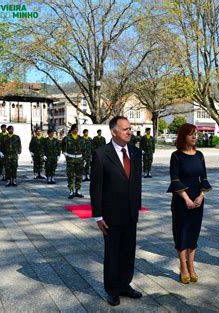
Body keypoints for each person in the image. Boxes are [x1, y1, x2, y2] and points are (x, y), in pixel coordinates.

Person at [90, 116, 143, 306]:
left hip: (130, 213)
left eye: (130, 128)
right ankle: (112, 290)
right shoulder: (101, 153)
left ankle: (125, 285)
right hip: (111, 215)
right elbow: (96, 187)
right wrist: (98, 215)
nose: (129, 132)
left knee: (128, 252)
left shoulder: (136, 153)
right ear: (113, 131)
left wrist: (136, 207)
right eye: (125, 129)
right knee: (113, 253)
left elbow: (136, 183)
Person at [167, 123, 212, 284]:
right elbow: (175, 180)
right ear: (183, 136)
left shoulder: (199, 155)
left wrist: (201, 196)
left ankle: (191, 266)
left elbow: (204, 178)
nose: (195, 137)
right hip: (181, 200)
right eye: (191, 134)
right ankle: (183, 267)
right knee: (182, 233)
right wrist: (186, 198)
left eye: (196, 134)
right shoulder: (176, 156)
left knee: (194, 233)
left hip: (198, 200)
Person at [61, 124, 84, 199]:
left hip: (79, 160)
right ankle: (71, 191)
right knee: (71, 175)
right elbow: (62, 146)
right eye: (75, 129)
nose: (76, 130)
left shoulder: (80, 138)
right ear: (72, 129)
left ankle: (78, 190)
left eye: (77, 129)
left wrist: (85, 158)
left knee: (79, 175)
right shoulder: (67, 138)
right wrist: (64, 152)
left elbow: (85, 148)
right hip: (70, 159)